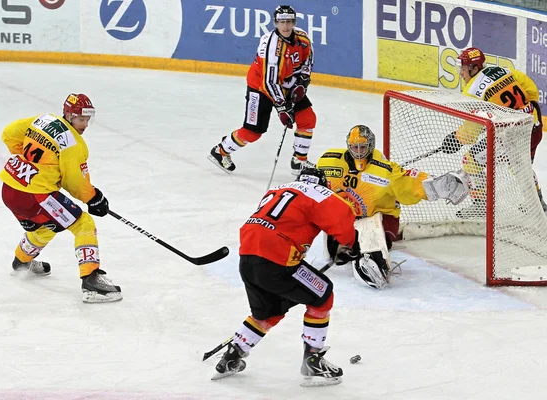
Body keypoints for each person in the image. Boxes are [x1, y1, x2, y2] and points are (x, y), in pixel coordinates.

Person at [212, 168, 358, 387]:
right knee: (323, 293)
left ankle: (232, 356)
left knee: (270, 310)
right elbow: (343, 216)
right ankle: (313, 360)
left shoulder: (279, 189)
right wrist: (350, 243)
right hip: (278, 260)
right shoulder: (317, 190)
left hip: (247, 259)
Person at [0, 93, 122, 303]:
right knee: (83, 224)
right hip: (36, 196)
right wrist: (94, 198)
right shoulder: (74, 144)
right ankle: (91, 281)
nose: (85, 124)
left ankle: (21, 262)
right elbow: (75, 182)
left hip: (10, 189)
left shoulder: (43, 119)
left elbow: (9, 134)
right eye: (81, 119)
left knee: (46, 226)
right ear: (69, 115)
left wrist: (32, 164)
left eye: (87, 119)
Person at [316, 125, 469, 286]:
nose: (359, 151)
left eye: (363, 147)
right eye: (355, 147)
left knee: (373, 264)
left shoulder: (385, 171)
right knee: (335, 255)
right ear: (348, 146)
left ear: (371, 146)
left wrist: (436, 186)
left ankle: (367, 251)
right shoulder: (329, 162)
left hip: (378, 219)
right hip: (348, 216)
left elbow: (408, 183)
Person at [208, 5, 316, 175]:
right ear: (275, 23)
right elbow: (269, 82)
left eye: (289, 22)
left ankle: (299, 161)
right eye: (282, 22)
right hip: (260, 87)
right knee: (253, 132)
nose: (286, 26)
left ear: (294, 22)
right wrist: (282, 108)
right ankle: (220, 151)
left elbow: (308, 61)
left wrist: (303, 81)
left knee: (308, 119)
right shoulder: (273, 47)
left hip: (287, 84)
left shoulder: (303, 38)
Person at [448, 47, 547, 217]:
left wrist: (456, 139)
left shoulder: (472, 91)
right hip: (534, 127)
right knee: (521, 167)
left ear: (474, 68)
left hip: (511, 136)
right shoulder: (501, 70)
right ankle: (538, 203)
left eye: (463, 69)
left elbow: (471, 133)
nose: (460, 74)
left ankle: (480, 204)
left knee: (470, 160)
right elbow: (532, 91)